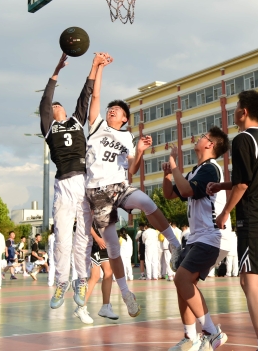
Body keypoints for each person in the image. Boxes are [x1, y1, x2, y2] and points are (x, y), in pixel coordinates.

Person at [83, 56, 182, 318]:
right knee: (113, 248)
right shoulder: (97, 126)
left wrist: (139, 152)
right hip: (97, 192)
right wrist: (98, 67)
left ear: (125, 118)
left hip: (119, 185)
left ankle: (175, 244)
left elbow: (133, 169)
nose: (111, 110)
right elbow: (95, 95)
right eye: (110, 108)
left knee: (147, 202)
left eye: (116, 110)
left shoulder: (127, 136)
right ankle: (126, 293)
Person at [208, 90, 258, 351]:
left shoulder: (242, 138)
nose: (234, 111)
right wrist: (222, 185)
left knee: (250, 283)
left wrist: (225, 212)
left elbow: (243, 184)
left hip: (255, 219)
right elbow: (253, 179)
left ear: (243, 112)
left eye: (236, 107)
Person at [41, 53, 110, 310]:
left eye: (57, 106)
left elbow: (86, 94)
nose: (55, 107)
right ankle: (62, 282)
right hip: (63, 185)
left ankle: (81, 279)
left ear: (64, 109)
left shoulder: (76, 121)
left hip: (82, 181)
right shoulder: (49, 127)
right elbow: (45, 101)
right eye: (52, 108)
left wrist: (94, 66)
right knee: (62, 238)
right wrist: (56, 71)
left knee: (83, 237)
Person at [163, 127, 230, 351]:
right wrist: (168, 174)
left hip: (212, 236)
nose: (198, 138)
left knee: (182, 280)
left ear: (210, 144)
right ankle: (190, 337)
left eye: (202, 136)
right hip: (197, 237)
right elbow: (170, 194)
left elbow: (186, 191)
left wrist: (174, 164)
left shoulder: (211, 169)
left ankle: (211, 331)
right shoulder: (196, 171)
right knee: (182, 283)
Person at [74, 226, 119, 324]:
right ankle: (81, 307)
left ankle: (105, 307)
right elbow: (86, 222)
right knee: (95, 276)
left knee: (108, 273)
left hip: (104, 241)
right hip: (93, 242)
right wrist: (97, 238)